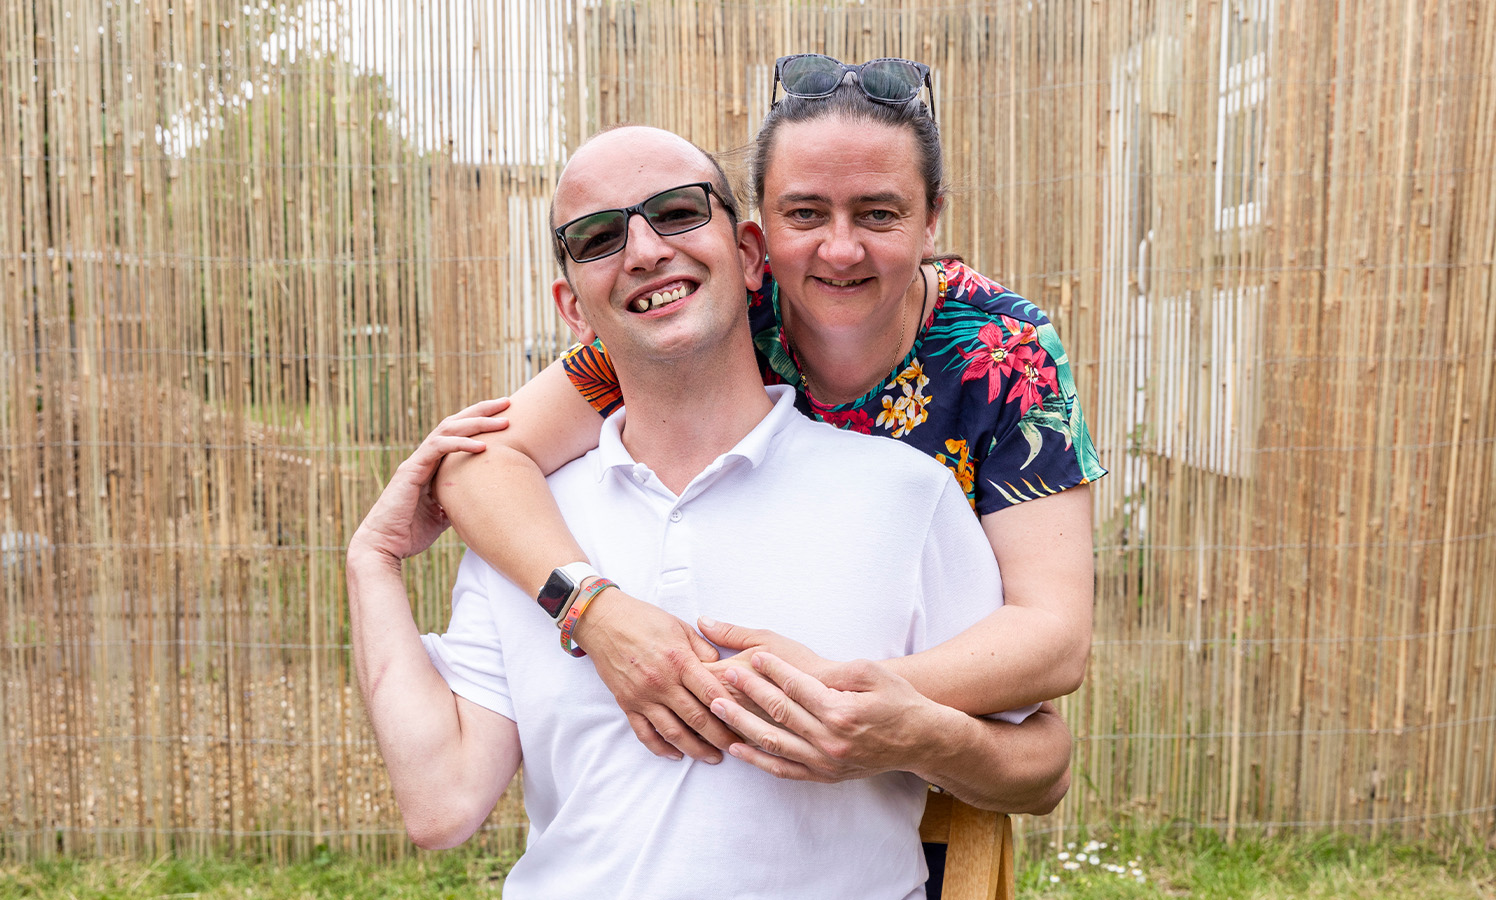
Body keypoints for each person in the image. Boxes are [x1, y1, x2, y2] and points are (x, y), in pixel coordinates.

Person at [347, 125, 1070, 899]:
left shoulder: (906, 495)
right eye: (596, 237)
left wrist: (914, 732)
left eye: (679, 212)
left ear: (751, 254)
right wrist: (373, 562)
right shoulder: (530, 529)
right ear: (572, 307)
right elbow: (440, 805)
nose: (645, 250)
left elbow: (1043, 766)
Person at [433, 54, 1106, 772]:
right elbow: (477, 463)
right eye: (805, 214)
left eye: (879, 214)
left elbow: (1054, 636)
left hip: (925, 745)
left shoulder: (1007, 352)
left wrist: (836, 698)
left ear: (932, 219)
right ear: (757, 233)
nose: (840, 249)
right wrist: (596, 612)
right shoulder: (712, 311)